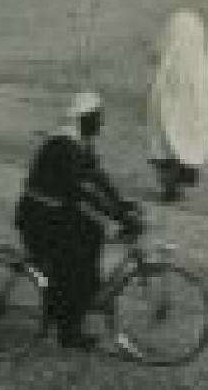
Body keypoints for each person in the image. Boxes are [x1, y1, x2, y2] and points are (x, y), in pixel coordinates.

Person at [14, 92, 142, 350]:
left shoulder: (80, 141)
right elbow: (80, 190)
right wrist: (118, 215)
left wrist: (122, 204)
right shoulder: (64, 145)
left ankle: (68, 310)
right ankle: (68, 329)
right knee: (77, 262)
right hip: (39, 215)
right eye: (97, 118)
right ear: (82, 118)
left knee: (93, 235)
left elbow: (97, 176)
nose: (100, 123)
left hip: (54, 210)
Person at [146, 9, 208, 202]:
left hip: (169, 106)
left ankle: (171, 184)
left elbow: (155, 56)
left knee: (167, 141)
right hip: (187, 110)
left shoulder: (169, 62)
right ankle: (175, 182)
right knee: (183, 142)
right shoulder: (199, 64)